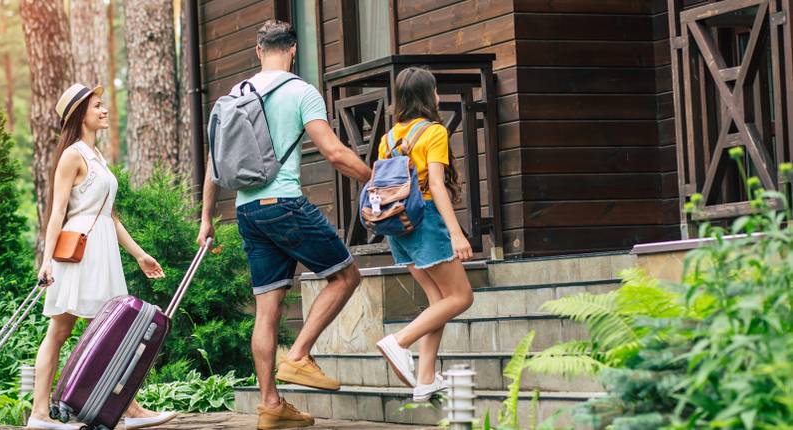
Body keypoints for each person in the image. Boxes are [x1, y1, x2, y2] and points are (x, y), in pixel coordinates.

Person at [197, 20, 372, 430]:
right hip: (284, 204)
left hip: (247, 212)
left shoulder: (235, 95)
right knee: (346, 275)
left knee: (267, 310)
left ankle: (270, 405)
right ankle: (298, 356)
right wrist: (373, 176)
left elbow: (214, 165)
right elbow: (333, 152)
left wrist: (206, 218)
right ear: (293, 51)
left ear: (258, 51)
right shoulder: (300, 91)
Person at [27, 83, 177, 430]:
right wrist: (47, 260)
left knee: (114, 332)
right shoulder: (72, 156)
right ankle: (39, 413)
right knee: (60, 331)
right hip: (79, 253)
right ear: (81, 115)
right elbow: (56, 213)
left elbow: (110, 216)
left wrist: (140, 255)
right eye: (97, 106)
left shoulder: (97, 158)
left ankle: (130, 408)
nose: (104, 110)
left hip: (102, 251)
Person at [372, 67, 475, 402]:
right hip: (426, 221)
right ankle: (399, 341)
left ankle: (426, 379)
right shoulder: (433, 132)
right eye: (435, 89)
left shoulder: (388, 139)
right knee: (461, 298)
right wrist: (457, 233)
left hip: (397, 226)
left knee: (438, 301)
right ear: (429, 95)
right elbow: (435, 185)